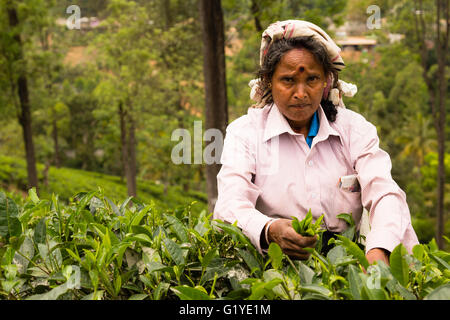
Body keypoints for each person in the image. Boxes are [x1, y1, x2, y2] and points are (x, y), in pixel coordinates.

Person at [213, 20, 419, 265]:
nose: (301, 93)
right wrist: (269, 230)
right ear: (269, 81)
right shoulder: (245, 133)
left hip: (345, 267)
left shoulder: (354, 130)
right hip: (272, 270)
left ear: (325, 82)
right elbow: (229, 206)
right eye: (288, 80)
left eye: (311, 79)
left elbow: (386, 194)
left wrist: (379, 250)